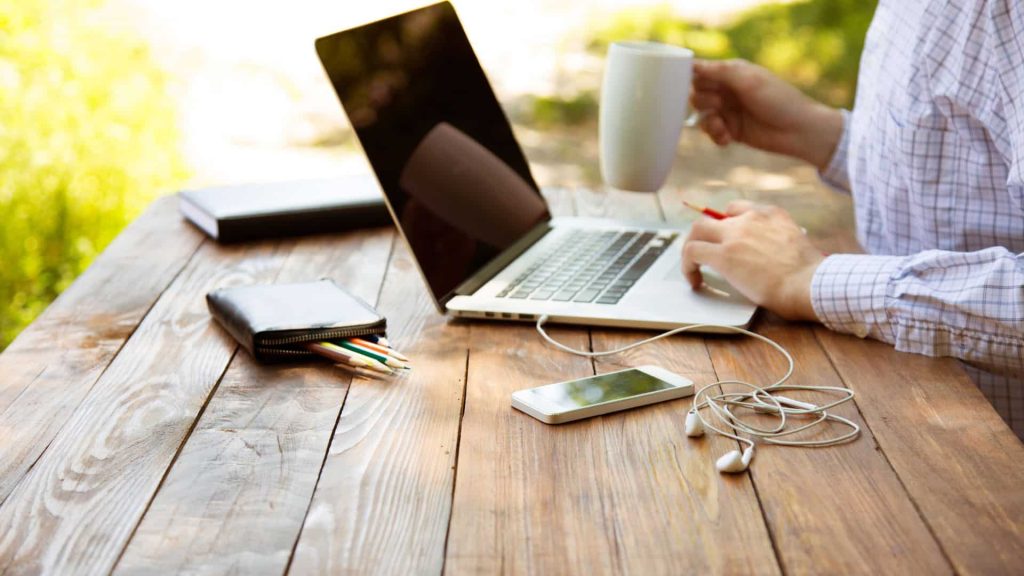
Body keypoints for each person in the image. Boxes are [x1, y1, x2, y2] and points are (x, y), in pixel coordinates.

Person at [682, 0, 1024, 439]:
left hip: (995, 466)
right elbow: (964, 176)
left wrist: (810, 279)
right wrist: (814, 132)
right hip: (902, 405)